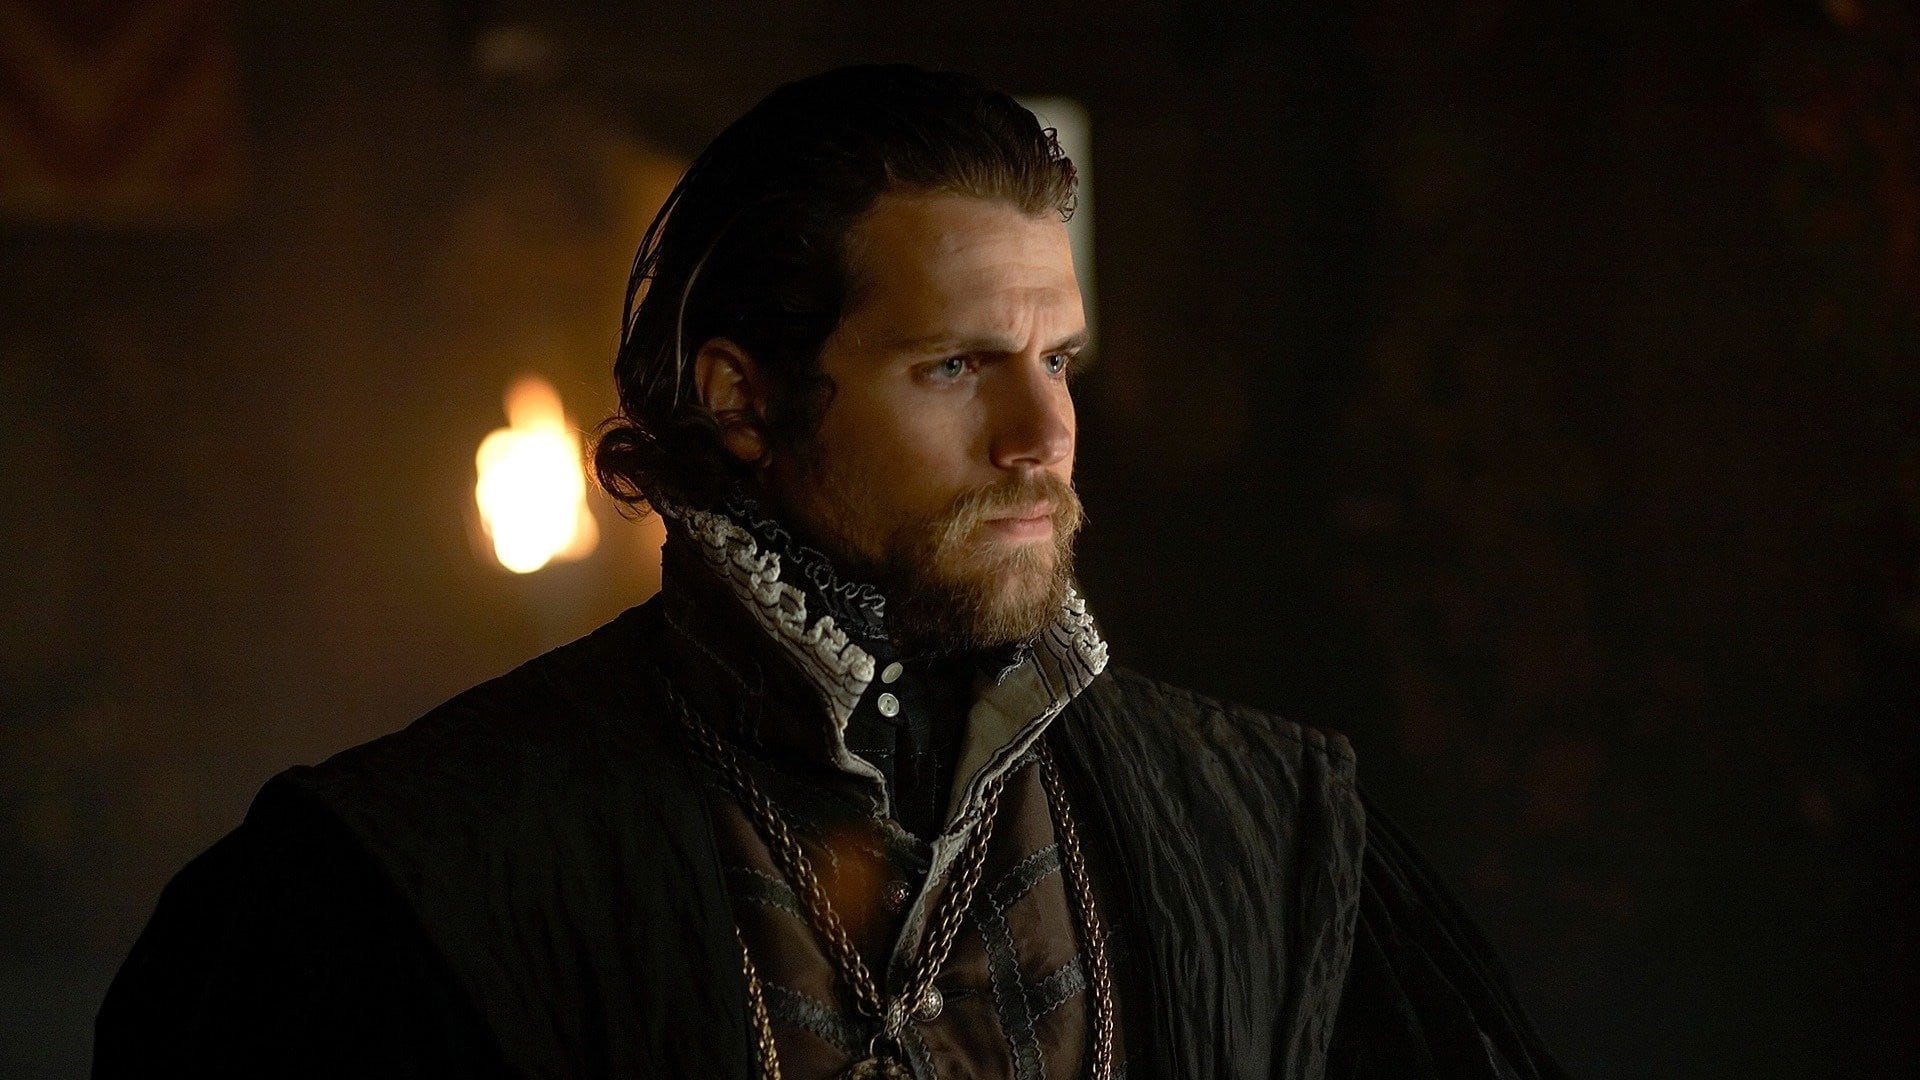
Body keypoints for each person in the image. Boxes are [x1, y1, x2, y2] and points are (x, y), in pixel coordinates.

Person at [95, 64, 1566, 1080]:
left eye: (1056, 360)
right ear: (742, 401)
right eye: (955, 366)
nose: (1044, 434)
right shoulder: (409, 876)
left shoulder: (1266, 831)